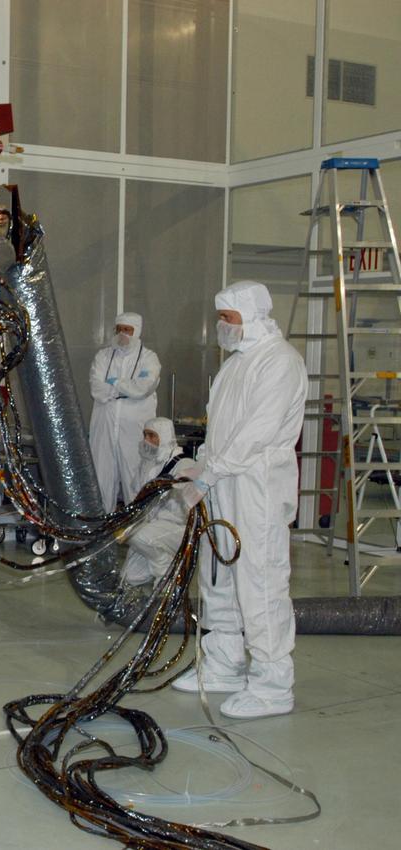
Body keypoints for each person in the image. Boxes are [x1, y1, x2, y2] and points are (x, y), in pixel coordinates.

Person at [172, 281, 307, 719]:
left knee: (259, 578)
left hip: (258, 485)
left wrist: (211, 473)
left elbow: (256, 434)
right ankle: (225, 663)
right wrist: (202, 468)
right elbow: (220, 430)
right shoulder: (234, 365)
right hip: (225, 481)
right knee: (219, 575)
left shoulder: (279, 362)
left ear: (251, 317)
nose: (221, 327)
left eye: (228, 318)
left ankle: (272, 684)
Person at [89, 312, 162, 512]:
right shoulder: (103, 356)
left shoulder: (149, 358)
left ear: (136, 331)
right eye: (119, 329)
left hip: (133, 430)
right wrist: (124, 389)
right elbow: (96, 388)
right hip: (104, 426)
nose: (122, 334)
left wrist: (113, 384)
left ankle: (137, 530)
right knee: (102, 476)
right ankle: (101, 527)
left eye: (127, 330)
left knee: (135, 476)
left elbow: (142, 388)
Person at [120, 417, 198, 586]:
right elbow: (137, 495)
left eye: (152, 435)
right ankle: (166, 559)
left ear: (164, 436)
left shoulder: (184, 464)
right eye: (145, 435)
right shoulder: (147, 464)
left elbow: (184, 510)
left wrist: (151, 519)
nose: (147, 441)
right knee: (130, 576)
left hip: (178, 528)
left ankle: (167, 574)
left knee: (139, 535)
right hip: (154, 527)